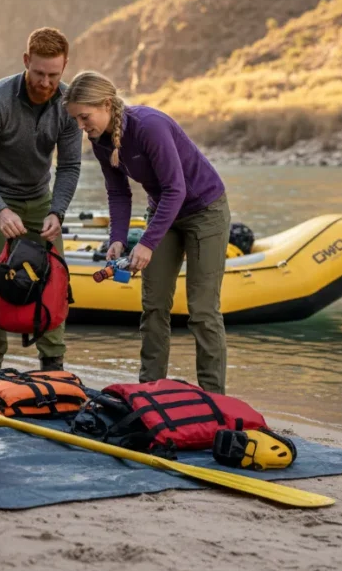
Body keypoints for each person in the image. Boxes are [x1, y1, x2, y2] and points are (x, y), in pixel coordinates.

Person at [63, 71, 231, 393]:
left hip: (204, 211)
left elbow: (176, 188)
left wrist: (147, 243)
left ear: (107, 105)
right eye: (77, 120)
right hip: (163, 210)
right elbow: (118, 193)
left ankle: (214, 398)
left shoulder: (148, 126)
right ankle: (150, 392)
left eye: (85, 117)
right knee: (153, 307)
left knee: (203, 311)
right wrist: (118, 238)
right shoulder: (99, 142)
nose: (82, 126)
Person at [0, 27, 82, 371]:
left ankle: (52, 363)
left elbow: (71, 165)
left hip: (40, 200)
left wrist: (57, 212)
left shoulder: (67, 104)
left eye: (53, 75)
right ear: (26, 61)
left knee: (55, 279)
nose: (45, 83)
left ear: (64, 68)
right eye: (39, 73)